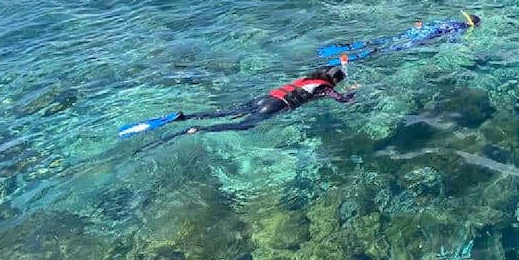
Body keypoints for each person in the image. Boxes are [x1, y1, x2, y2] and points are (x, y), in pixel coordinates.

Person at [121, 59, 358, 149]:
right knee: (243, 126)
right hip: (275, 106)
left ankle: (184, 117)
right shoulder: (325, 88)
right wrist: (353, 92)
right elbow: (343, 100)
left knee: (224, 112)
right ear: (334, 81)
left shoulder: (307, 79)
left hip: (264, 98)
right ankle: (196, 130)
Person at [317, 11, 481, 64]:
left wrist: (418, 26)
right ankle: (362, 54)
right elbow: (452, 40)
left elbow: (431, 23)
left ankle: (348, 46)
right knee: (389, 49)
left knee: (388, 39)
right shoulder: (460, 28)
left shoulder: (452, 21)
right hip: (422, 38)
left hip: (416, 32)